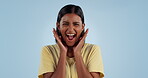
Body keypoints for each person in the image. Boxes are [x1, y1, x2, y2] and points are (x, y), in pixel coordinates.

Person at [38, 4, 104, 78]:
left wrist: (77, 53)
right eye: (65, 24)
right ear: (58, 26)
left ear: (82, 27)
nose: (70, 30)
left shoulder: (93, 50)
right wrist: (63, 53)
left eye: (76, 24)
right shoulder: (48, 51)